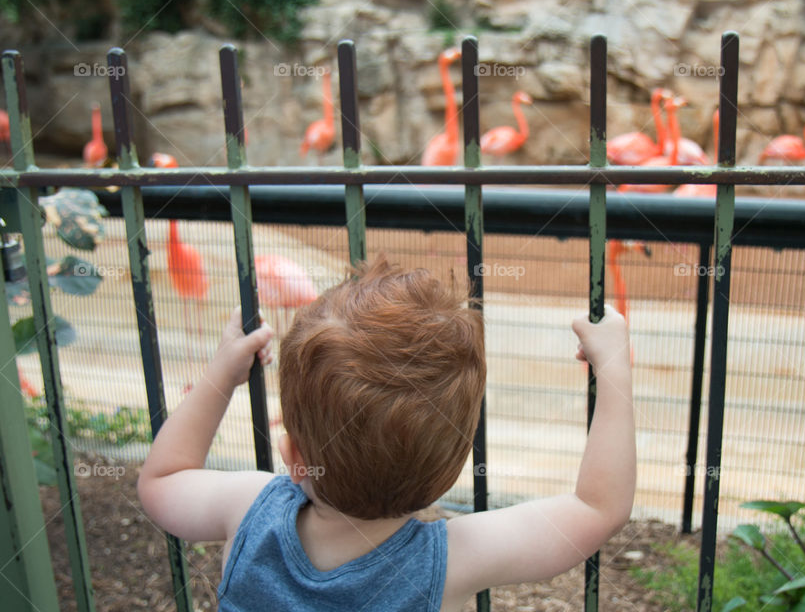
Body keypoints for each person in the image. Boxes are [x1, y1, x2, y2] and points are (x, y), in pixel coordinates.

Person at [138, 257, 636, 611]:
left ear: (292, 453)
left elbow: (164, 477)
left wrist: (222, 373)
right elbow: (597, 508)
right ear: (455, 461)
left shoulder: (248, 510)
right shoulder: (449, 561)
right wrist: (612, 367)